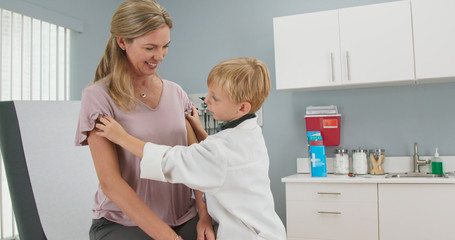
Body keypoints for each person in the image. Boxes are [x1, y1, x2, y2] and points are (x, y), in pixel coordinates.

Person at [95, 57, 287, 239]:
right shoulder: (249, 133)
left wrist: (122, 138)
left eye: (215, 98)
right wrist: (199, 129)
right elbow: (218, 155)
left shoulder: (221, 150)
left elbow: (171, 159)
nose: (206, 100)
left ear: (242, 108)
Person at [75, 0, 215, 239]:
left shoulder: (176, 93)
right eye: (150, 48)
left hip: (184, 216)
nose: (159, 56)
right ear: (122, 42)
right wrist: (168, 237)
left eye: (165, 46)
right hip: (123, 222)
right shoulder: (98, 96)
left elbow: (195, 163)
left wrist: (204, 216)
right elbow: (110, 182)